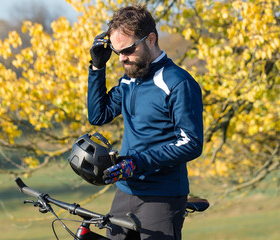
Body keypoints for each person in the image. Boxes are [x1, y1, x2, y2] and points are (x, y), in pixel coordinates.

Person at [87, 5, 204, 240]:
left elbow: (191, 143)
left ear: (150, 39)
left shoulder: (177, 82)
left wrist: (137, 162)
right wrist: (98, 67)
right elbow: (99, 115)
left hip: (163, 196)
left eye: (128, 50)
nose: (122, 58)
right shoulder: (130, 80)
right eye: (117, 51)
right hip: (125, 191)